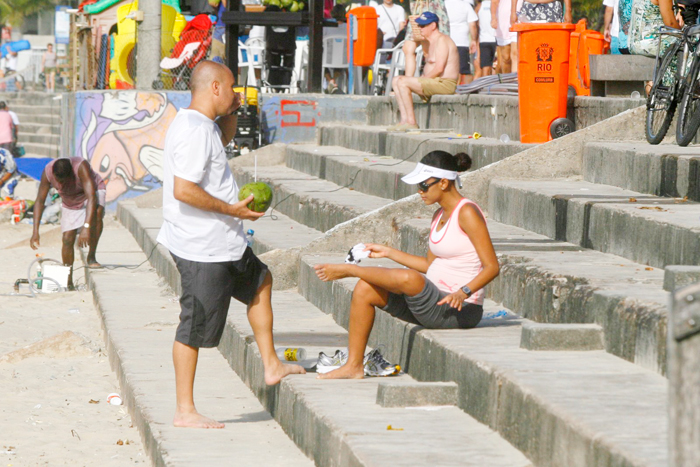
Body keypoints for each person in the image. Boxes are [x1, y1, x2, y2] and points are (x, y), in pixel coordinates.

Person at [156, 60, 304, 429]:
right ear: (215, 88)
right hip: (201, 247)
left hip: (225, 242)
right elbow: (184, 190)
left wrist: (234, 112)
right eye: (233, 88)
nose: (237, 93)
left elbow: (220, 140)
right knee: (194, 326)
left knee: (261, 281)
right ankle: (184, 410)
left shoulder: (203, 124)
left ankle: (271, 364)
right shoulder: (192, 130)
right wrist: (232, 210)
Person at [314, 151, 500, 379]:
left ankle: (350, 270)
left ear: (443, 183)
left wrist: (464, 292)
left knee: (410, 278)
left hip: (459, 310)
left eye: (423, 186)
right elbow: (429, 265)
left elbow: (492, 266)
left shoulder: (468, 212)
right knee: (365, 289)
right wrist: (389, 252)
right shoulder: (438, 215)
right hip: (430, 301)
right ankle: (354, 365)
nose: (419, 192)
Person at [30, 157, 107, 289]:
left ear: (71, 174)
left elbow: (91, 197)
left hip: (91, 193)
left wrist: (86, 227)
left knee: (97, 214)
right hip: (70, 200)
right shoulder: (48, 172)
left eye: (64, 181)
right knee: (67, 238)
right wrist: (35, 231)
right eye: (58, 181)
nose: (60, 184)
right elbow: (40, 201)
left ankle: (91, 256)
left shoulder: (81, 168)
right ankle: (68, 280)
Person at [390, 12, 460, 131]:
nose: (420, 29)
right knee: (396, 80)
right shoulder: (429, 42)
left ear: (433, 26)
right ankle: (404, 121)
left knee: (402, 81)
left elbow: (439, 68)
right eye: (419, 26)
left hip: (444, 83)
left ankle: (412, 122)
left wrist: (421, 80)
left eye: (423, 26)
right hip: (435, 81)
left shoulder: (442, 40)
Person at [402, 0, 451, 78]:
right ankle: (408, 80)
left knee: (428, 52)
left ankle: (430, 78)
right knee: (407, 49)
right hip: (417, 13)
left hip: (432, 10)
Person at [445, 0, 479, 84]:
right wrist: (474, 40)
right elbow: (473, 25)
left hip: (446, 42)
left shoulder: (443, 4)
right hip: (462, 41)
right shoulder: (465, 5)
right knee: (464, 70)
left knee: (447, 67)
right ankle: (464, 92)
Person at [491, 0, 520, 73]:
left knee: (515, 53)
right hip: (503, 19)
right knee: (505, 58)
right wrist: (493, 17)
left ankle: (515, 81)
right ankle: (506, 81)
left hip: (519, 16)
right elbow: (494, 2)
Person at [477, 0, 498, 75]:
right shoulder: (480, 5)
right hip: (486, 40)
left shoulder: (479, 6)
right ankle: (487, 86)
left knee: (494, 68)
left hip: (495, 39)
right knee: (488, 68)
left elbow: (476, 24)